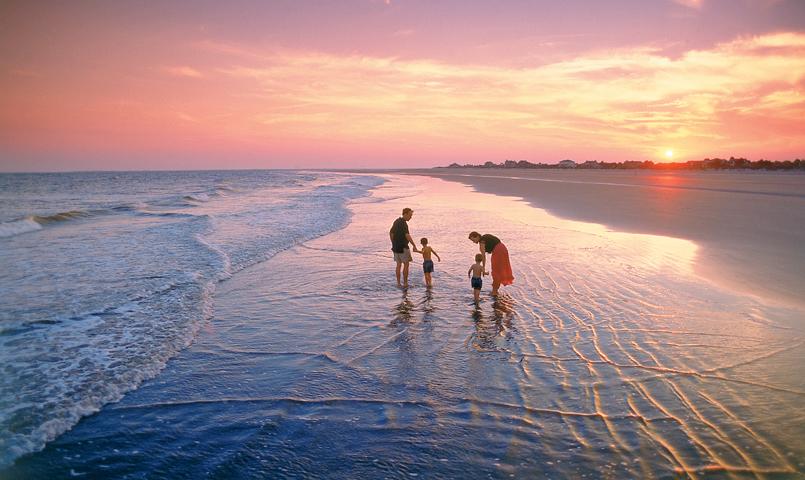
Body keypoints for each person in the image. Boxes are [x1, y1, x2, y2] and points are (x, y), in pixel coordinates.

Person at [468, 231, 514, 296]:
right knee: (500, 271)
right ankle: (495, 291)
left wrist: (483, 268)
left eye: (473, 240)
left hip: (498, 252)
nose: (473, 242)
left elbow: (483, 256)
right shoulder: (485, 236)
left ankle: (494, 292)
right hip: (503, 249)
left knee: (496, 272)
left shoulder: (481, 242)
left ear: (477, 236)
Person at [390, 208, 418, 288]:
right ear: (405, 214)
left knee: (398, 265)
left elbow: (391, 233)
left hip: (396, 247)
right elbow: (407, 235)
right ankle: (405, 283)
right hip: (403, 247)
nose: (411, 217)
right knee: (406, 264)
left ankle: (398, 283)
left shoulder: (396, 221)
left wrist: (393, 243)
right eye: (410, 215)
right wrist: (414, 245)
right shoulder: (404, 223)